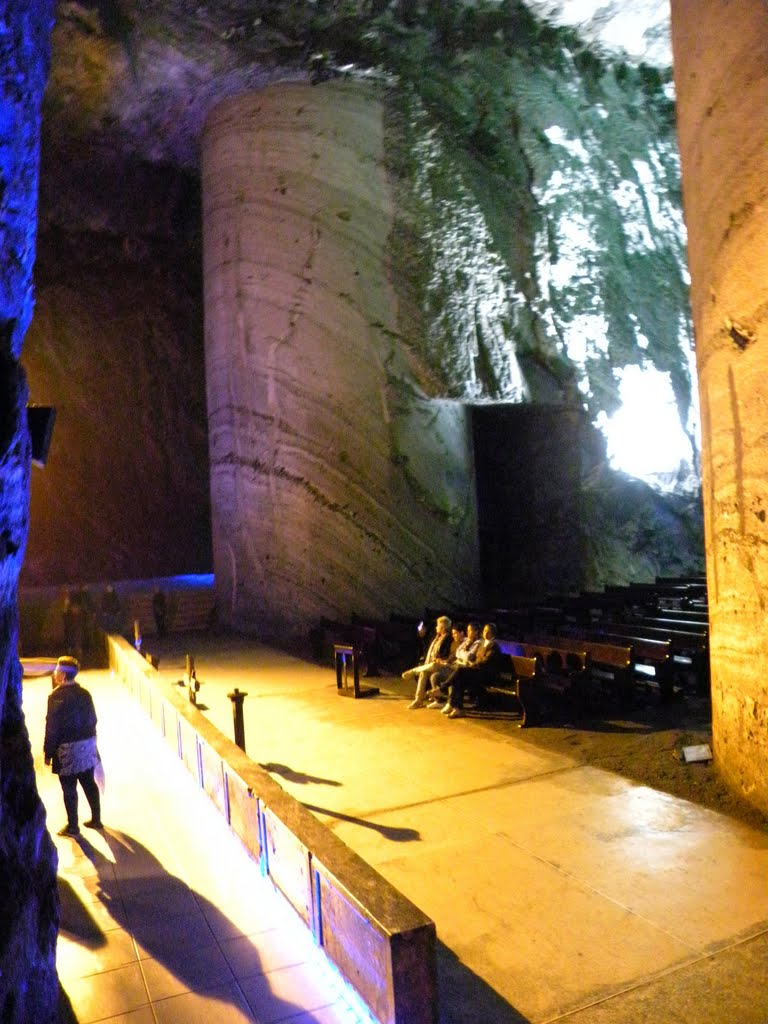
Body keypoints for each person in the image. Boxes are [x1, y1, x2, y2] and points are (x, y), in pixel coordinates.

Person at [44, 655, 103, 837]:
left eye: (56, 670)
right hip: (86, 746)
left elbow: (52, 728)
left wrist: (48, 752)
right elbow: (93, 719)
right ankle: (96, 819)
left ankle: (73, 826)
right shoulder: (85, 694)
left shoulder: (55, 697)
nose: (54, 673)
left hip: (66, 750)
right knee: (88, 782)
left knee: (69, 788)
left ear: (62, 674)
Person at [442, 622, 506, 719]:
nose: (485, 633)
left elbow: (486, 661)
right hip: (478, 672)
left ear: (493, 633)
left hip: (487, 675)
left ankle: (444, 688)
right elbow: (476, 657)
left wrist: (473, 664)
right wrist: (473, 664)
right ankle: (457, 708)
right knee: (459, 677)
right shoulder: (484, 644)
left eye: (488, 632)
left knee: (460, 672)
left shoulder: (493, 646)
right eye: (484, 631)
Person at [426, 621, 482, 707]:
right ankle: (439, 700)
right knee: (434, 676)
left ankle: (449, 702)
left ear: (476, 632)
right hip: (455, 666)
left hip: (464, 669)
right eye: (467, 630)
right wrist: (463, 654)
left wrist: (462, 654)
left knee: (452, 677)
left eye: (470, 630)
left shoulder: (478, 643)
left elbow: (468, 657)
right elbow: (457, 652)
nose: (468, 632)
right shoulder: (467, 640)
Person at [402, 615, 452, 709]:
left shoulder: (449, 639)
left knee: (432, 665)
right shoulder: (436, 637)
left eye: (438, 625)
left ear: (443, 627)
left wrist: (440, 659)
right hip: (433, 664)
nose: (436, 627)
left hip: (443, 665)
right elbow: (428, 647)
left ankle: (413, 671)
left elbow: (448, 654)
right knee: (424, 672)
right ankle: (418, 700)